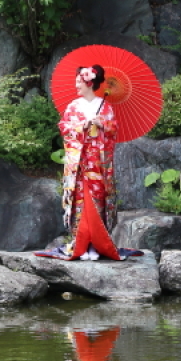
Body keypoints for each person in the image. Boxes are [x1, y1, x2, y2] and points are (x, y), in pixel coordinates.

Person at [58, 64, 120, 261]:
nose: (76, 86)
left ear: (90, 83)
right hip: (79, 162)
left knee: (96, 201)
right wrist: (80, 126)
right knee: (79, 201)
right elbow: (64, 128)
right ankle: (80, 243)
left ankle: (96, 245)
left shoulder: (106, 106)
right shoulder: (73, 107)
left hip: (97, 162)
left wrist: (103, 124)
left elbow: (113, 130)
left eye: (79, 82)